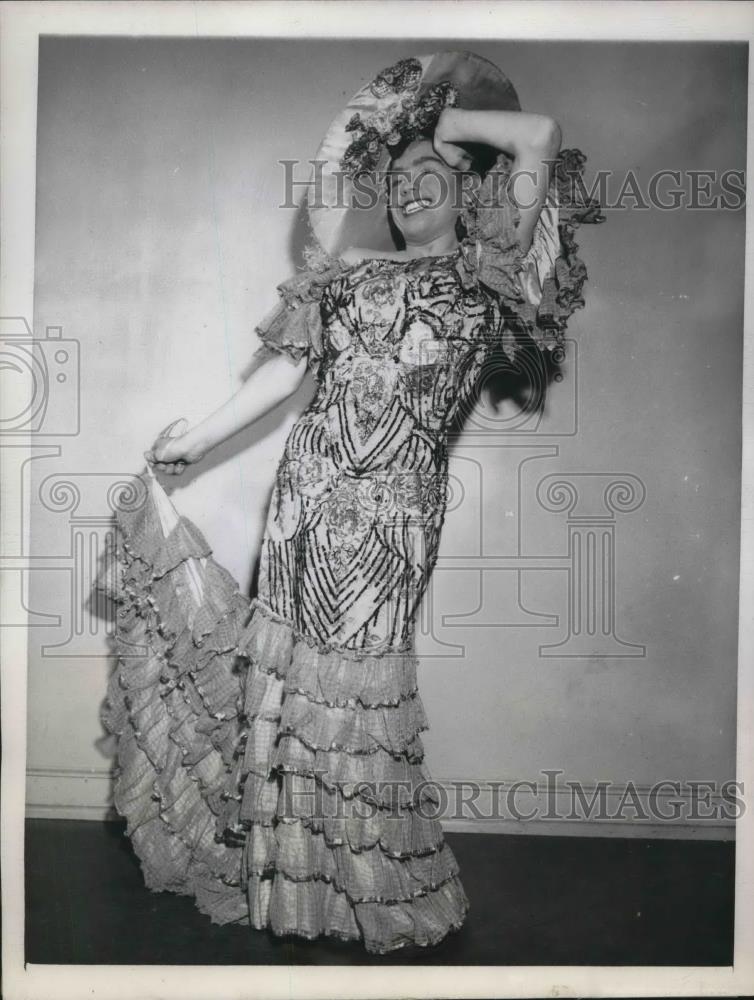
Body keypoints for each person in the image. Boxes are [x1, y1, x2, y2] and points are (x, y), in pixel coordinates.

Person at [102, 52, 600, 956]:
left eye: (432, 177)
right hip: (303, 510)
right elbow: (288, 361)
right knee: (287, 694)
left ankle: (365, 893)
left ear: (472, 192)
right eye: (399, 179)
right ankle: (294, 896)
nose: (410, 190)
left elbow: (537, 138)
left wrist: (444, 124)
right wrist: (196, 441)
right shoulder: (350, 277)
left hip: (392, 521)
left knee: (362, 696)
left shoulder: (490, 277)